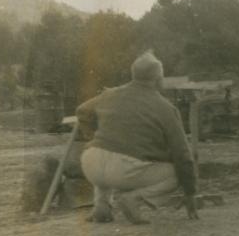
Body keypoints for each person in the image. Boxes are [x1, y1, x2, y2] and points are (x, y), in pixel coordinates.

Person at [76, 51, 198, 224]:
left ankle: (101, 207)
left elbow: (82, 110)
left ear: (134, 75)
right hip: (123, 170)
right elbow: (183, 155)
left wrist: (92, 135)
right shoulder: (165, 107)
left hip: (91, 164)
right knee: (176, 174)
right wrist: (190, 193)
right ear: (158, 79)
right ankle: (134, 199)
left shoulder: (109, 94)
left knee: (109, 149)